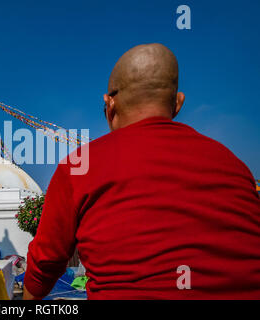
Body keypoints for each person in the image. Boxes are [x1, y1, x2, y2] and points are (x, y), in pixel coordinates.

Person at [23, 43, 260, 300]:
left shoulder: (80, 165)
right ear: (178, 103)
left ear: (109, 104)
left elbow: (43, 266)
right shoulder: (235, 167)